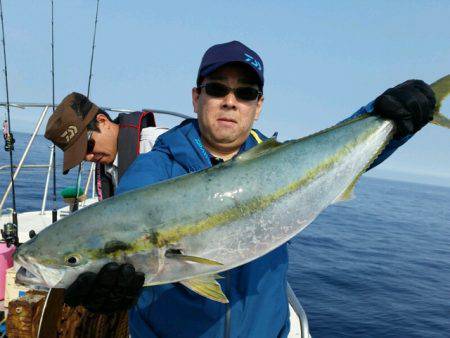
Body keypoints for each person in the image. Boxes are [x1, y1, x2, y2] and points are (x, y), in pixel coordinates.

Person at [63, 41, 436, 337]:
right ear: (197, 97)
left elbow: (338, 155)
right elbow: (127, 218)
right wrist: (102, 284)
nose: (230, 100)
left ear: (258, 106)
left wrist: (389, 118)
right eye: (217, 88)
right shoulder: (155, 167)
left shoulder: (280, 161)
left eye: (245, 93)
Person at [44, 92, 168, 199]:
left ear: (102, 121)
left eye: (87, 146)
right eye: (80, 156)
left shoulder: (157, 144)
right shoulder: (106, 167)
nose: (89, 157)